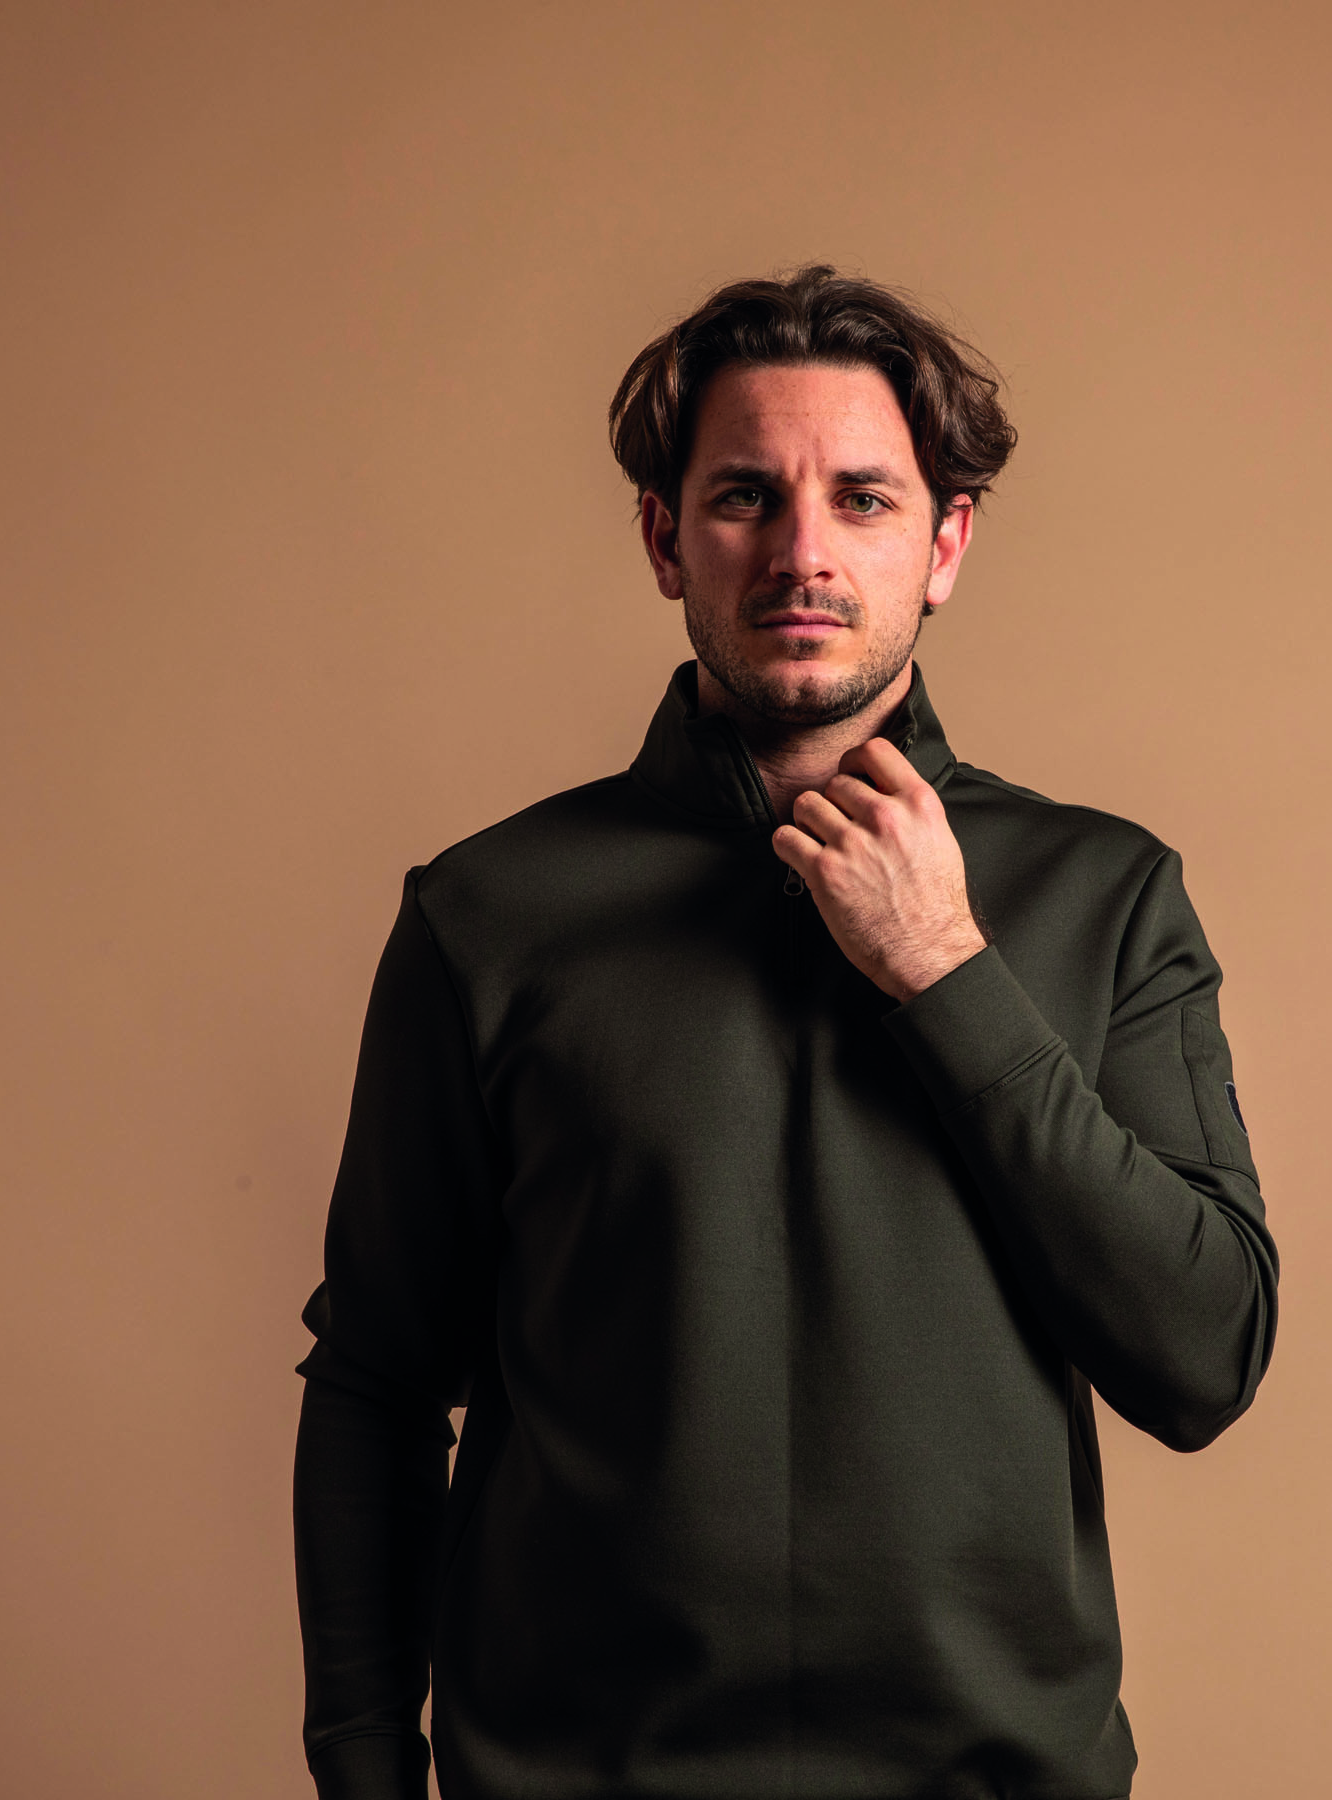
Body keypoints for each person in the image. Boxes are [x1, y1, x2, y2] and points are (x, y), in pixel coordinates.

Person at [293, 264, 1279, 1800]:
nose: (802, 552)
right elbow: (377, 1377)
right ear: (662, 537)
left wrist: (949, 972)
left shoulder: (1104, 894)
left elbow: (1204, 1357)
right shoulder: (488, 914)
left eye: (863, 500)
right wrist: (362, 1770)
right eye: (746, 495)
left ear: (944, 545)